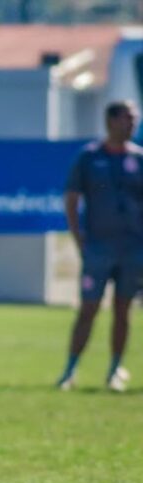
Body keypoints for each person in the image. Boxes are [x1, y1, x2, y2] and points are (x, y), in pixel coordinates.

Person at [55, 100, 143, 393]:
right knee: (89, 308)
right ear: (110, 121)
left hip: (132, 248)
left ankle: (115, 369)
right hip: (99, 247)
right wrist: (79, 238)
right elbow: (71, 199)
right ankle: (70, 369)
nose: (132, 124)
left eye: (134, 119)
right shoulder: (90, 158)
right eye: (127, 118)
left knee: (123, 309)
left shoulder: (139, 159)